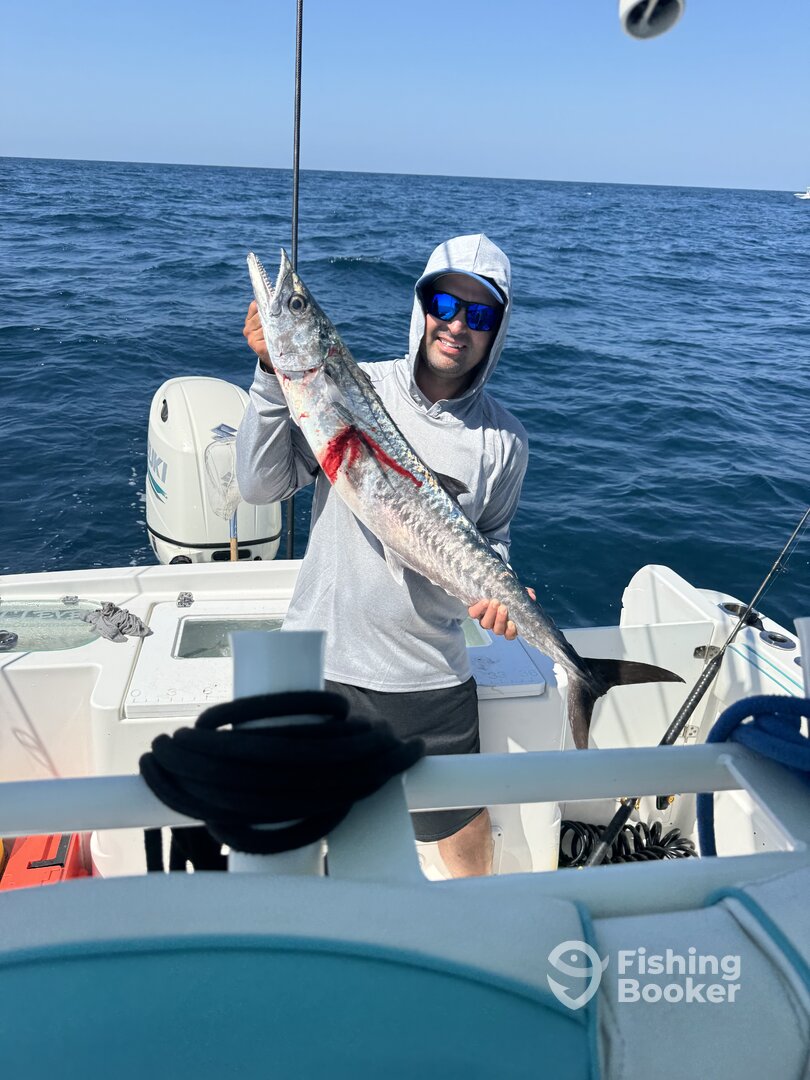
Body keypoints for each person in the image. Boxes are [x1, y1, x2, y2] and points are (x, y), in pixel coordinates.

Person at [236, 234, 529, 877]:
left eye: (480, 314)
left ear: (497, 329)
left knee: (465, 840)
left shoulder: (504, 440)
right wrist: (268, 375)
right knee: (283, 837)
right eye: (444, 304)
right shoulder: (353, 387)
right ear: (422, 305)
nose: (457, 325)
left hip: (428, 676)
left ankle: (475, 930)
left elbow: (492, 543)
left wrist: (501, 593)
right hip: (315, 655)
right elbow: (258, 486)